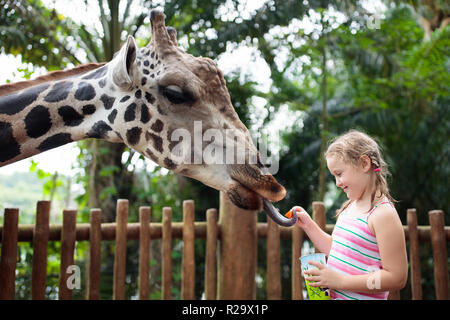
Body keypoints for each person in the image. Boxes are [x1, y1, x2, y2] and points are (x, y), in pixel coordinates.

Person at [292, 129, 408, 300]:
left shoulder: (383, 215)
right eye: (334, 176)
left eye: (339, 174)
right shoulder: (351, 207)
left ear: (364, 164)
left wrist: (340, 281)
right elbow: (339, 250)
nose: (337, 183)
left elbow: (397, 278)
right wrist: (308, 225)